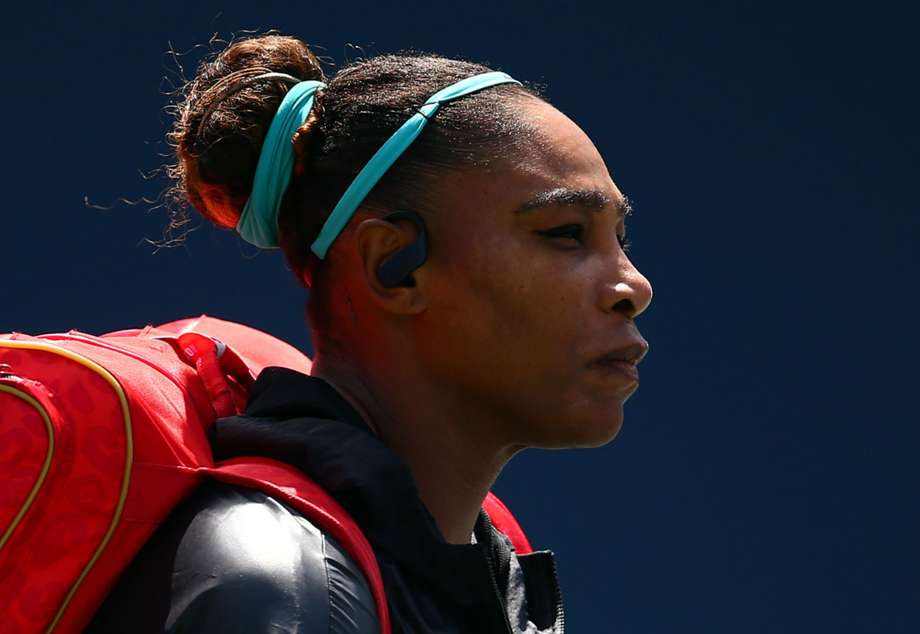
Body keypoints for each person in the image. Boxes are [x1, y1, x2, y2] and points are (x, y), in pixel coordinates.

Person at [86, 32, 652, 634]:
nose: (634, 286)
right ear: (394, 266)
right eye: (566, 233)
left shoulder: (480, 581)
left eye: (619, 238)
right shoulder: (284, 585)